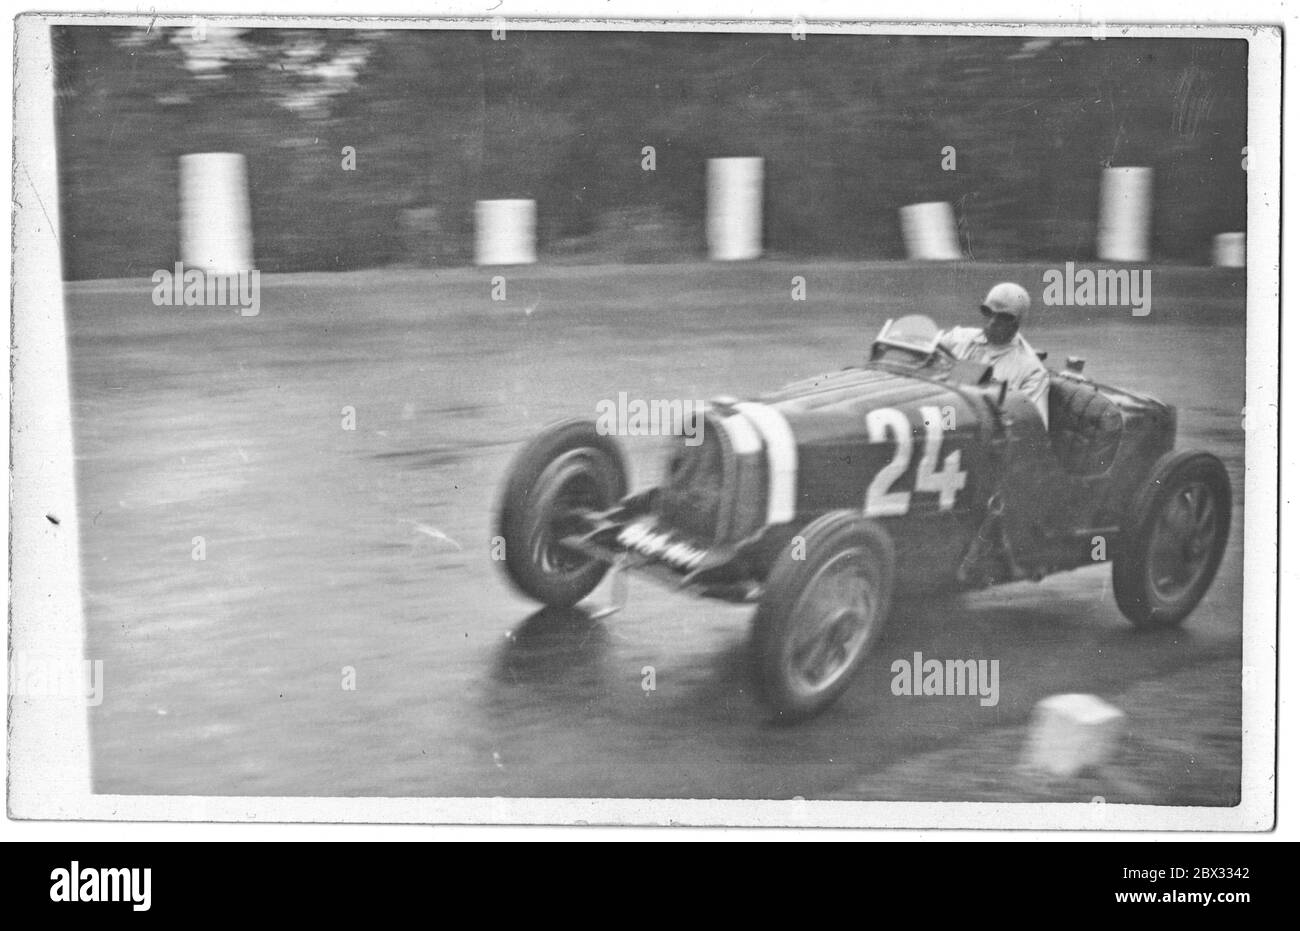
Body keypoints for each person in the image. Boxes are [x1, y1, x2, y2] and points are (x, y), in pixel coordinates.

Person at [939, 282, 1049, 427]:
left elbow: (1033, 427)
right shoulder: (957, 338)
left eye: (1003, 317)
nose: (992, 322)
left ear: (1018, 322)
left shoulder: (1032, 371)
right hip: (942, 417)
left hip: (978, 435)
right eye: (987, 312)